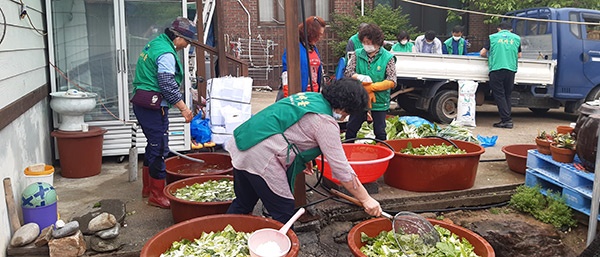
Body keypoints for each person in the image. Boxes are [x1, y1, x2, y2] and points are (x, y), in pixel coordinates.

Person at [225, 78, 383, 224]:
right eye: (348, 112)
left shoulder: (310, 97)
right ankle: (284, 249)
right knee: (284, 210)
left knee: (244, 202)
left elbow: (292, 126)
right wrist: (366, 199)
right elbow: (342, 170)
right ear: (344, 106)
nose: (345, 117)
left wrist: (304, 157)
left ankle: (227, 238)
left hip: (242, 142)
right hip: (259, 156)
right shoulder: (324, 122)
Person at [130, 17, 195, 208]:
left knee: (153, 145)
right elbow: (167, 84)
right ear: (178, 37)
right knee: (159, 148)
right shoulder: (166, 53)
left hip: (142, 102)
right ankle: (157, 195)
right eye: (187, 41)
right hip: (152, 105)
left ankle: (148, 189)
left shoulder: (156, 43)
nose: (187, 46)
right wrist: (184, 108)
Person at [344, 23, 397, 141]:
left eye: (369, 43)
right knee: (352, 127)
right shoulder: (357, 54)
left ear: (377, 42)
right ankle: (347, 153)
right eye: (364, 42)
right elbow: (348, 72)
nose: (366, 46)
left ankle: (383, 153)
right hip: (359, 97)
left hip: (380, 99)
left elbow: (392, 81)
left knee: (379, 130)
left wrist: (373, 87)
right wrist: (359, 77)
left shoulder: (388, 57)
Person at [480, 21, 521, 129]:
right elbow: (519, 55)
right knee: (507, 94)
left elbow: (482, 53)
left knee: (499, 95)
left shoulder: (493, 37)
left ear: (499, 29)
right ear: (510, 30)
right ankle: (508, 118)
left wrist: (491, 56)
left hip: (497, 68)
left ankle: (506, 120)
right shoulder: (516, 38)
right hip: (511, 69)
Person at [278, 16, 326, 100]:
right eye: (318, 35)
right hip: (299, 95)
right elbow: (286, 72)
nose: (319, 38)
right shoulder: (294, 48)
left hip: (314, 95)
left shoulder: (314, 48)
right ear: (311, 33)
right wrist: (289, 96)